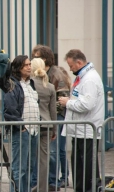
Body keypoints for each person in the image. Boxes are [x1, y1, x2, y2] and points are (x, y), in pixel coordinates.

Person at [59, 49, 104, 192]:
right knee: (79, 166)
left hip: (87, 130)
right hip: (80, 130)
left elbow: (87, 104)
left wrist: (68, 102)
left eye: (71, 66)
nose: (70, 69)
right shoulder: (83, 77)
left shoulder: (89, 79)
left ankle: (89, 189)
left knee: (87, 167)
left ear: (79, 62)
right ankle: (81, 188)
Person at [31, 44, 71, 189]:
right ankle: (44, 181)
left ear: (45, 58)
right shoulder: (38, 75)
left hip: (56, 117)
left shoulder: (56, 74)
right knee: (48, 152)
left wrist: (49, 108)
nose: (34, 60)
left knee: (54, 152)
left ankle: (55, 182)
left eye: (37, 57)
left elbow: (63, 99)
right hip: (48, 117)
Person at [4, 55, 39, 192]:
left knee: (29, 168)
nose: (30, 67)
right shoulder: (12, 84)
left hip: (33, 130)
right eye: (26, 65)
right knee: (19, 169)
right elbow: (10, 109)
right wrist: (21, 127)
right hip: (22, 131)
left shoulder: (31, 84)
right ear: (18, 68)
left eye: (30, 64)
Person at [30, 58, 57, 192]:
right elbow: (53, 111)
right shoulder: (50, 87)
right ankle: (42, 188)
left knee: (28, 158)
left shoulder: (29, 85)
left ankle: (27, 186)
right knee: (44, 160)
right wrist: (54, 130)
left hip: (31, 125)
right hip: (46, 126)